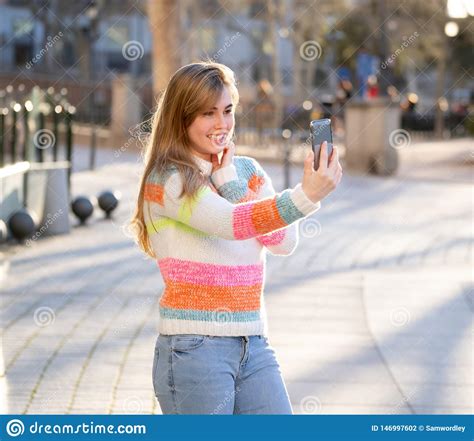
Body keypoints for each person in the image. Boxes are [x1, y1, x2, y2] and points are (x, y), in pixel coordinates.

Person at [129, 61, 342, 415]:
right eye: (207, 113)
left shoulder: (246, 172)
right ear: (181, 119)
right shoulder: (167, 180)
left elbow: (283, 242)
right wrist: (307, 196)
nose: (222, 124)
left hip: (253, 343)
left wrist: (230, 182)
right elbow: (230, 223)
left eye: (227, 110)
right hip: (194, 347)